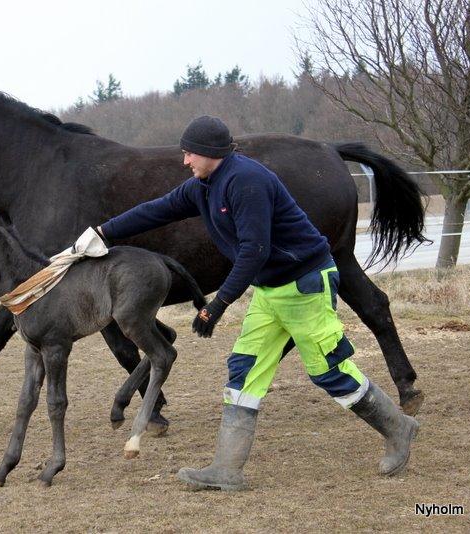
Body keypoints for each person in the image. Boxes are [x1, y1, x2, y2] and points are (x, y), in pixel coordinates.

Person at [95, 116, 419, 491]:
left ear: (209, 153)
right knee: (244, 370)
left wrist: (218, 304)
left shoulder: (246, 182)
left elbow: (254, 251)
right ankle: (227, 469)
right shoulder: (203, 185)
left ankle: (398, 428)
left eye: (189, 153)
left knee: (329, 371)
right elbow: (156, 209)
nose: (184, 161)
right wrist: (101, 233)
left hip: (305, 285)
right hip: (272, 290)